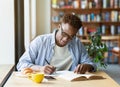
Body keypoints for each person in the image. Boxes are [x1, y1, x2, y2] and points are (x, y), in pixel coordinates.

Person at [17, 13, 97, 74]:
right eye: (64, 34)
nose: (66, 39)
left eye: (71, 36)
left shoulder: (76, 43)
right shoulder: (40, 41)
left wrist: (87, 66)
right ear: (59, 27)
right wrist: (40, 69)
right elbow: (21, 64)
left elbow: (91, 64)